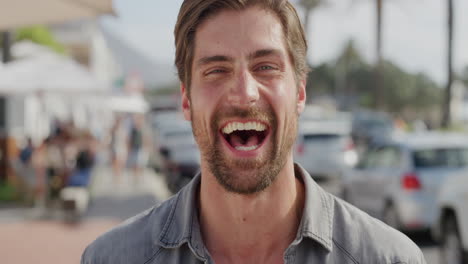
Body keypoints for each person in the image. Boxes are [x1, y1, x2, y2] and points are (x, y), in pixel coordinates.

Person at [82, 1, 427, 263]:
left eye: (266, 67)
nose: (244, 93)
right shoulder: (112, 258)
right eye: (216, 70)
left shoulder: (388, 257)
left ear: (300, 92)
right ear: (186, 101)